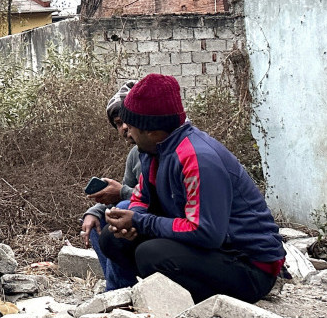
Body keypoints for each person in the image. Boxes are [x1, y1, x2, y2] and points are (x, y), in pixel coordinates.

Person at [95, 73, 285, 303]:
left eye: (132, 126)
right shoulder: (153, 152)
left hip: (250, 266)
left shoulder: (197, 158)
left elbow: (205, 232)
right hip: (213, 251)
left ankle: (189, 306)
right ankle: (130, 300)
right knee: (113, 239)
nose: (128, 133)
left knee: (150, 255)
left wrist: (140, 222)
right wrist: (133, 221)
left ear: (152, 131)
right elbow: (141, 198)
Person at [82, 81, 141, 290]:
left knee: (120, 213)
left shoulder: (164, 150)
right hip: (143, 221)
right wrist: (93, 211)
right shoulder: (135, 155)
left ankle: (116, 294)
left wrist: (121, 193)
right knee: (98, 220)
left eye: (128, 119)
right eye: (118, 123)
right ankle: (120, 290)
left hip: (163, 225)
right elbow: (127, 193)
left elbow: (159, 196)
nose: (124, 127)